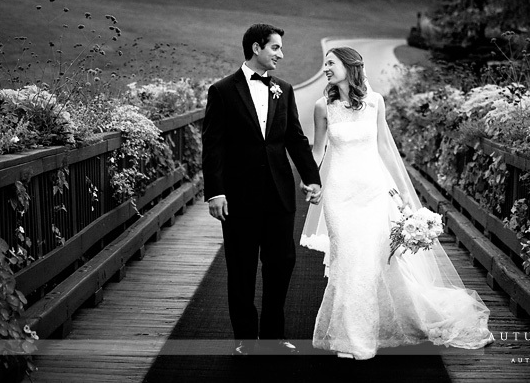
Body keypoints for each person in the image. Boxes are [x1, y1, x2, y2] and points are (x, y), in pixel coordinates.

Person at [301, 46, 493, 360]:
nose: (325, 68)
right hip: (339, 194)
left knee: (371, 261)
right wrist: (311, 179)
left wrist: (403, 191)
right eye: (324, 64)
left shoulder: (375, 102)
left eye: (330, 63)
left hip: (372, 192)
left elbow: (384, 149)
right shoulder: (323, 107)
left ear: (349, 67)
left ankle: (364, 333)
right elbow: (318, 148)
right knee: (348, 260)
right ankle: (352, 337)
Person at [202, 23, 322, 356]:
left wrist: (312, 178)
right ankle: (244, 339)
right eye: (275, 48)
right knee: (240, 269)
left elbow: (296, 139)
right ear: (256, 48)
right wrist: (215, 192)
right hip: (238, 198)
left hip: (279, 195)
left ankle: (272, 338)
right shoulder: (222, 91)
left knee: (281, 265)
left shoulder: (283, 88)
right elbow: (213, 146)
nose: (281, 54)